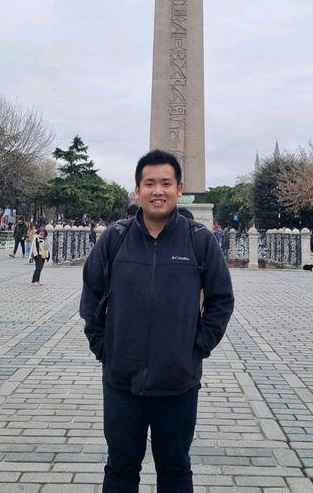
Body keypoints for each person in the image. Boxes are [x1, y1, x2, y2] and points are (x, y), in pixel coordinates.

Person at [80, 149, 234, 493]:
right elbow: (91, 295)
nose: (157, 190)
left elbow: (221, 300)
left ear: (179, 188)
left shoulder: (199, 240)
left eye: (166, 183)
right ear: (137, 191)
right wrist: (104, 346)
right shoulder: (115, 239)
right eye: (149, 183)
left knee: (175, 470)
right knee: (120, 468)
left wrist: (197, 347)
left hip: (178, 382)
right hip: (122, 381)